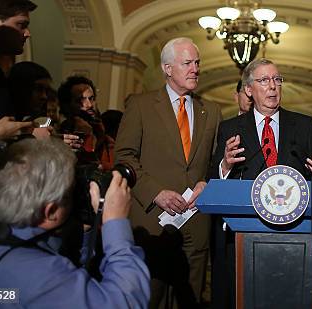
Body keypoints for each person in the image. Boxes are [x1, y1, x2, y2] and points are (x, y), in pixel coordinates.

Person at [0, 138, 150, 308]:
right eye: (71, 191)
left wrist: (86, 228)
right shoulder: (38, 275)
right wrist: (116, 222)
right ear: (51, 211)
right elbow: (125, 302)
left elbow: (11, 294)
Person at [209, 58, 312, 309]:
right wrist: (226, 165)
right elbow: (214, 180)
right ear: (249, 90)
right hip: (245, 233)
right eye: (264, 80)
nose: (273, 86)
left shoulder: (304, 125)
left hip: (293, 234)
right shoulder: (230, 128)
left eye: (277, 79)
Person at [114, 37, 221, 308]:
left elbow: (215, 161)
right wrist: (155, 193)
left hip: (195, 221)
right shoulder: (140, 105)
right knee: (151, 297)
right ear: (167, 68)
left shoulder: (212, 111)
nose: (195, 68)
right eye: (187, 63)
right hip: (153, 222)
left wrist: (207, 183)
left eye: (197, 63)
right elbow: (124, 157)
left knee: (191, 299)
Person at [58, 75, 109, 167]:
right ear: (68, 105)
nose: (89, 105)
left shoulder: (103, 133)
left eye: (91, 98)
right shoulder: (62, 136)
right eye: (80, 100)